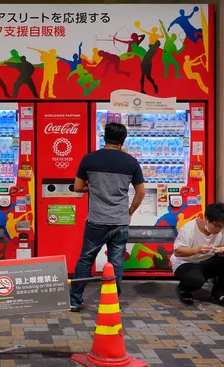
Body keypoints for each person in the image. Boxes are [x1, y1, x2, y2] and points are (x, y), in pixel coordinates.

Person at [69, 123, 146, 312]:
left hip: (96, 221)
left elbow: (77, 187)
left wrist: (93, 188)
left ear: (104, 137)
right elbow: (141, 192)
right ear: (123, 140)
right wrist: (129, 212)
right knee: (116, 263)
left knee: (86, 259)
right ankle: (112, 302)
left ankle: (75, 300)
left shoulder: (89, 159)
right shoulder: (131, 162)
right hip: (120, 222)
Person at [171, 202, 224, 308]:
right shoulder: (189, 228)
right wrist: (196, 250)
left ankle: (219, 293)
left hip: (208, 261)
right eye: (217, 226)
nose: (219, 230)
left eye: (222, 227)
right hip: (186, 262)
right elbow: (178, 251)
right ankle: (184, 288)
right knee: (195, 280)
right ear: (207, 219)